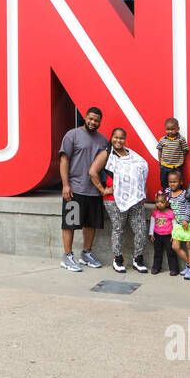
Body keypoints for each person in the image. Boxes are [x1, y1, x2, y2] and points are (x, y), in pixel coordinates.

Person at [89, 127, 148, 273]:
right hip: (114, 199)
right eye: (116, 137)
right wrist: (103, 190)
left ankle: (137, 259)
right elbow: (92, 172)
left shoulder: (131, 155)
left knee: (141, 230)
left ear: (125, 139)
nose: (118, 140)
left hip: (135, 199)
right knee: (118, 229)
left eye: (121, 138)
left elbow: (141, 174)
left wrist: (142, 193)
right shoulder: (106, 154)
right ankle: (118, 259)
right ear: (111, 137)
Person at [59, 107, 109, 272]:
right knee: (70, 224)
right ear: (85, 117)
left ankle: (86, 254)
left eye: (96, 120)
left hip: (94, 190)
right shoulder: (72, 135)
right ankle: (67, 256)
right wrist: (66, 185)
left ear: (100, 122)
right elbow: (64, 160)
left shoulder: (103, 140)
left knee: (91, 224)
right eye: (91, 118)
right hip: (75, 189)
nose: (93, 122)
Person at [164, 169, 190, 279]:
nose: (172, 184)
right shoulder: (168, 194)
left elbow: (189, 208)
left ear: (180, 182)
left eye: (175, 182)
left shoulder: (185, 194)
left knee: (189, 246)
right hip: (177, 225)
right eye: (170, 182)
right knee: (175, 246)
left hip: (188, 223)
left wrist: (185, 219)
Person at [148, 191, 178, 275]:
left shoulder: (170, 213)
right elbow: (152, 223)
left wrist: (174, 235)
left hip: (168, 235)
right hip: (157, 235)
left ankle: (174, 269)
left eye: (162, 202)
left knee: (171, 252)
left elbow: (174, 224)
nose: (159, 204)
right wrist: (151, 233)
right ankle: (156, 267)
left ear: (167, 203)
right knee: (157, 252)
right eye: (157, 202)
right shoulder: (155, 213)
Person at [156, 118, 189, 186]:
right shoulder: (162, 140)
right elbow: (160, 151)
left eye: (172, 129)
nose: (170, 131)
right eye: (168, 129)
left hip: (176, 167)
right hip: (164, 166)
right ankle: (165, 195)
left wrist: (179, 159)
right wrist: (160, 161)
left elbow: (185, 150)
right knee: (164, 182)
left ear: (178, 129)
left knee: (177, 183)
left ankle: (177, 196)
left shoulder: (181, 139)